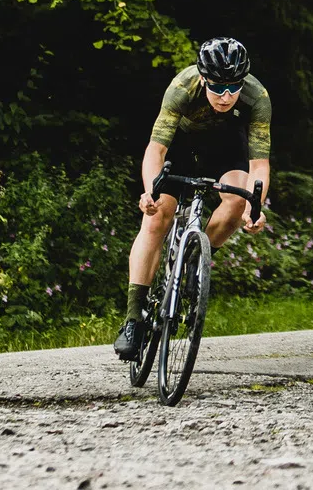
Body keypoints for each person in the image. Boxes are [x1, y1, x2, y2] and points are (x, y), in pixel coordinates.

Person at [113, 37, 271, 360]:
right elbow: (155, 150)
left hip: (227, 146)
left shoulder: (257, 98)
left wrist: (255, 208)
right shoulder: (182, 88)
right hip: (183, 144)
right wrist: (150, 191)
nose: (226, 96)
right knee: (157, 216)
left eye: (233, 87)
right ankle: (133, 319)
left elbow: (258, 165)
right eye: (217, 87)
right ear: (203, 78)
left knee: (237, 201)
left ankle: (195, 258)